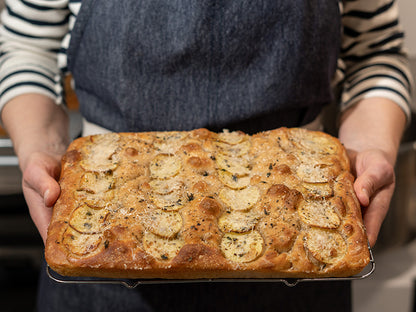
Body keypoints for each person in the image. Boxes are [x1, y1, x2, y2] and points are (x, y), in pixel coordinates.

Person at [0, 0, 413, 311]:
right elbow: (24, 47)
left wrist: (374, 143)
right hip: (104, 244)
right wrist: (41, 148)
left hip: (302, 245)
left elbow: (377, 52)